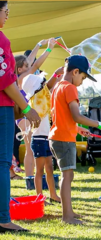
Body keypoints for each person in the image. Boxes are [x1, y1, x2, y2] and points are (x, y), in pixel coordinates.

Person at [49, 55, 101, 224]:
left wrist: (77, 129)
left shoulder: (57, 87)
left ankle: (69, 212)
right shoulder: (70, 88)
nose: (82, 82)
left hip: (58, 136)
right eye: (83, 77)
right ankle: (67, 217)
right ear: (75, 71)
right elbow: (77, 116)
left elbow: (62, 117)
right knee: (67, 176)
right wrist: (100, 124)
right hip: (63, 139)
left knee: (67, 176)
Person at [0, 0, 41, 232]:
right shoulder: (1, 39)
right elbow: (5, 80)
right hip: (2, 109)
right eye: (6, 11)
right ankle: (4, 219)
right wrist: (26, 108)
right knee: (3, 163)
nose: (7, 16)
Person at [15, 38, 56, 177]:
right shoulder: (22, 78)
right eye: (27, 66)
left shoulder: (21, 75)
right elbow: (36, 63)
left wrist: (38, 44)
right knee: (30, 148)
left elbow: (30, 60)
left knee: (30, 148)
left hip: (25, 115)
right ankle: (31, 178)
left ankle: (31, 178)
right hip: (24, 115)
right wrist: (49, 48)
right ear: (20, 69)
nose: (30, 67)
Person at [22, 72, 64, 204]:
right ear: (36, 87)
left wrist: (57, 74)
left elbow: (48, 85)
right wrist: (56, 74)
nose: (43, 84)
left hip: (46, 137)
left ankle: (53, 195)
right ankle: (39, 198)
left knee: (49, 169)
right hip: (39, 139)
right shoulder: (36, 98)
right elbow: (48, 85)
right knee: (39, 171)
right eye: (41, 83)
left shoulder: (42, 95)